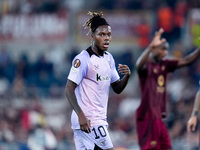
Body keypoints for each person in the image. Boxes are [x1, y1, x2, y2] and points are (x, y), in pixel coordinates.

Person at [65, 11, 131, 150]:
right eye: (102, 35)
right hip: (88, 119)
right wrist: (81, 115)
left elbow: (117, 88)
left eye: (109, 35)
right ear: (93, 36)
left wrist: (127, 76)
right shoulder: (83, 59)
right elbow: (69, 89)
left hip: (96, 119)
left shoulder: (109, 59)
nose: (106, 38)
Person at [135, 28, 200, 150]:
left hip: (159, 117)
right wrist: (149, 47)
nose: (164, 52)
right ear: (154, 49)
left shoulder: (165, 65)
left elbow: (187, 61)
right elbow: (138, 66)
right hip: (147, 116)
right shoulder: (147, 66)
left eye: (166, 50)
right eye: (162, 49)